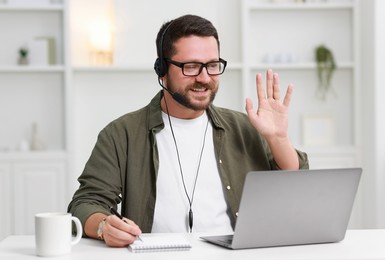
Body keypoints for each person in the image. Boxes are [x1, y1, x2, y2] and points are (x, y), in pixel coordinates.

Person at [67, 14, 309, 248]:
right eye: (191, 67)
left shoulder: (246, 126)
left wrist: (279, 139)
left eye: (213, 65)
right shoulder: (121, 134)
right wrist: (103, 227)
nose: (204, 78)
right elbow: (85, 203)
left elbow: (296, 189)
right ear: (161, 70)